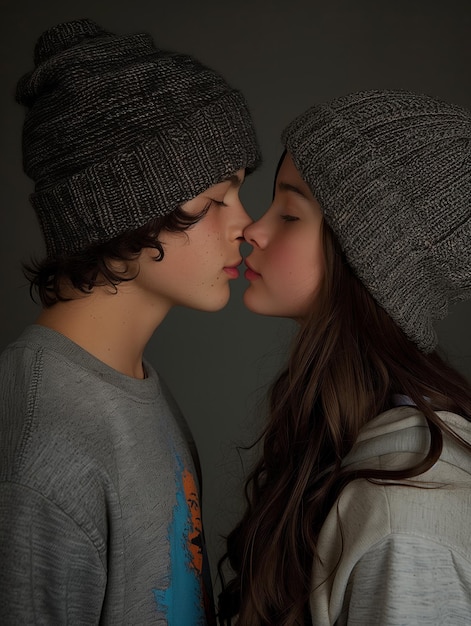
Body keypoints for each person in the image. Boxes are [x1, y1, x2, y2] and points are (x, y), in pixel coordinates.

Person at [0, 18, 260, 625]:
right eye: (213, 201)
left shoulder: (131, 383)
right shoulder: (42, 446)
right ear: (123, 211)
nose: (245, 225)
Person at [218, 90, 471, 625]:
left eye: (289, 213)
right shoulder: (344, 435)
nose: (253, 230)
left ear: (368, 261)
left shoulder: (407, 526)